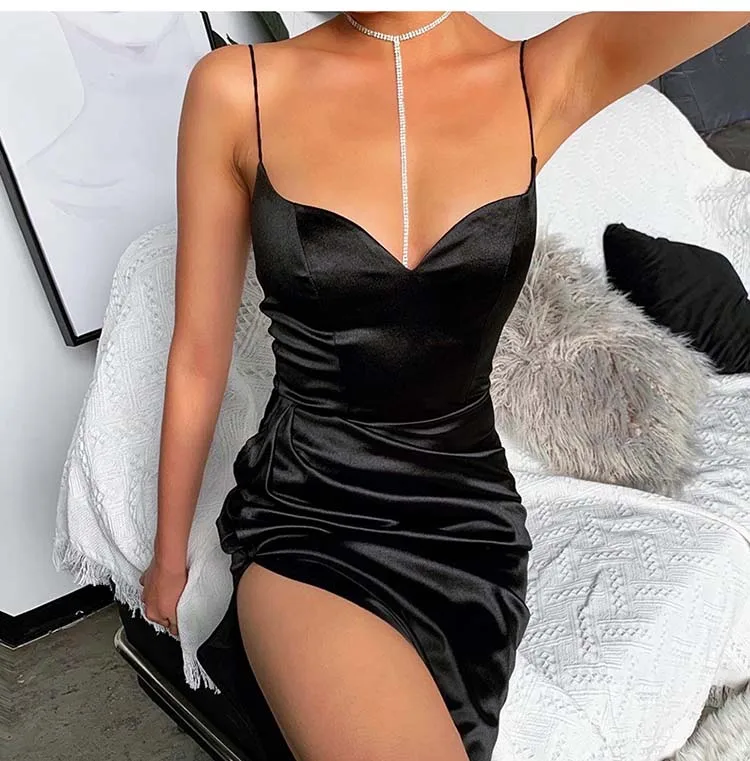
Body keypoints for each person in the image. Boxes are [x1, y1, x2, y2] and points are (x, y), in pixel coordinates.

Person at [140, 11, 749, 761]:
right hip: (311, 511)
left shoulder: (539, 75)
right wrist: (169, 556)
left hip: (467, 525)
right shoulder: (238, 89)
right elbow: (198, 355)